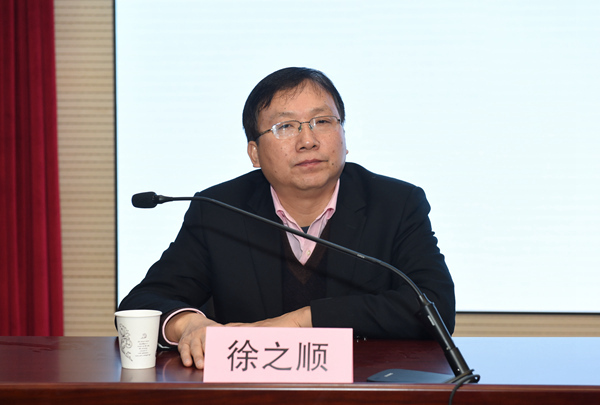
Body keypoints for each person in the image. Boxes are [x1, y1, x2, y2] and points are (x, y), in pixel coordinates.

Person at [118, 67, 455, 369]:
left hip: (363, 392)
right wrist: (190, 324)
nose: (308, 141)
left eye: (323, 122)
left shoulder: (395, 203)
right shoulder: (218, 209)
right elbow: (142, 302)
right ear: (254, 152)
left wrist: (301, 322)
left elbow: (435, 305)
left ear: (344, 136)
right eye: (286, 127)